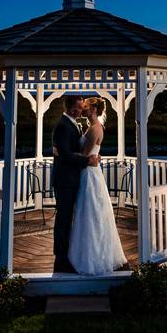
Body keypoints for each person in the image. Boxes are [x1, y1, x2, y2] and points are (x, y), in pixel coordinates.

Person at [67, 97, 127, 274]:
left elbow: (84, 155)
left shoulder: (94, 129)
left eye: (86, 107)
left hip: (89, 175)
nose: (83, 109)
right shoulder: (91, 127)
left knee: (90, 214)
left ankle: (91, 257)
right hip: (90, 171)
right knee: (89, 213)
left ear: (93, 110)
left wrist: (62, 153)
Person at [51, 94, 100, 273]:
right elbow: (64, 154)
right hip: (65, 180)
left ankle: (68, 255)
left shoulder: (73, 124)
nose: (83, 110)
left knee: (69, 218)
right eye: (80, 107)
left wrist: (92, 155)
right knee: (63, 219)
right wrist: (87, 161)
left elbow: (76, 150)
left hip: (72, 179)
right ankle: (61, 259)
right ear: (72, 108)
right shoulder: (63, 126)